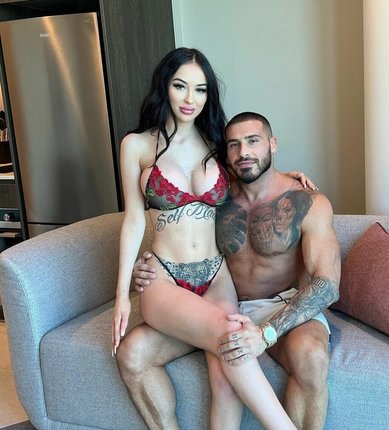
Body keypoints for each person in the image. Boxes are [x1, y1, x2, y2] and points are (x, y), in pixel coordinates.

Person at [112, 48, 297, 430]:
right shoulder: (137, 145)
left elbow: (252, 172)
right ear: (164, 86)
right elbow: (133, 219)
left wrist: (290, 178)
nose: (190, 99)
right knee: (232, 335)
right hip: (164, 277)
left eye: (200, 89)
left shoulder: (216, 142)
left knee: (226, 375)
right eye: (180, 86)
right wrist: (121, 294)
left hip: (216, 276)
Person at [123, 111, 341, 429]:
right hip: (219, 306)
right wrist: (146, 263)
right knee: (132, 352)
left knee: (312, 357)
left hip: (281, 305)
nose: (244, 152)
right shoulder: (217, 196)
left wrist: (266, 333)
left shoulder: (307, 203)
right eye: (234, 145)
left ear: (273, 144)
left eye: (253, 141)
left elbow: (327, 285)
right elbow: (174, 232)